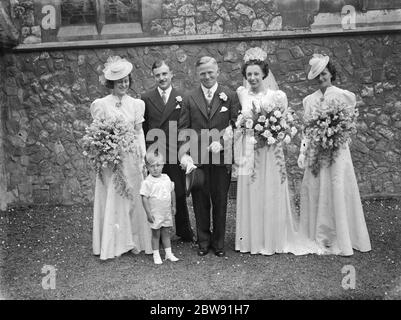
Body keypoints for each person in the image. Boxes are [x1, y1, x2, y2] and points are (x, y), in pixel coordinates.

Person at [235, 47, 321, 256]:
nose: (253, 78)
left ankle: (273, 238)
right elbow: (242, 122)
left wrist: (272, 132)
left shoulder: (277, 95)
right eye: (249, 74)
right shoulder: (241, 93)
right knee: (252, 190)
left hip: (270, 151)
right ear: (245, 76)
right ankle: (252, 239)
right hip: (250, 149)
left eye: (256, 73)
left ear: (264, 74)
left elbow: (284, 122)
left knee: (271, 190)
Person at [297, 54, 371, 256]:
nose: (322, 78)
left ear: (331, 74)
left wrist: (336, 133)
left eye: (325, 73)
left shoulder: (343, 96)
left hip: (337, 152)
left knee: (337, 187)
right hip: (316, 151)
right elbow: (306, 129)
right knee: (317, 187)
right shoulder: (309, 100)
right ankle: (319, 235)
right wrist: (303, 150)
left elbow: (348, 125)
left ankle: (341, 236)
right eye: (318, 75)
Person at [91, 56, 152, 260]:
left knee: (134, 198)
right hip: (113, 160)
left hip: (132, 158)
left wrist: (143, 155)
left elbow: (139, 132)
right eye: (119, 82)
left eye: (126, 81)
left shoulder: (136, 104)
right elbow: (98, 133)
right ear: (112, 84)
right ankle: (114, 242)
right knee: (115, 197)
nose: (124, 85)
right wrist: (106, 151)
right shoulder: (101, 104)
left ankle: (134, 240)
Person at [178, 56, 240, 257]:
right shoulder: (189, 97)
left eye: (210, 72)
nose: (206, 76)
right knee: (200, 201)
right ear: (197, 75)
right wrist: (184, 155)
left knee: (220, 201)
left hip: (221, 159)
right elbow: (183, 128)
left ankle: (219, 243)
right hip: (198, 159)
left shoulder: (229, 95)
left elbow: (235, 126)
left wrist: (221, 143)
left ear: (217, 72)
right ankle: (203, 241)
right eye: (202, 73)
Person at [141, 60, 194, 242]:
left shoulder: (182, 97)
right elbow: (145, 127)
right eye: (158, 75)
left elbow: (185, 126)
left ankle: (184, 231)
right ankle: (156, 232)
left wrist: (184, 152)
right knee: (155, 192)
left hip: (174, 151)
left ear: (171, 74)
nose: (162, 78)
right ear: (153, 76)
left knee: (178, 191)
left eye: (164, 74)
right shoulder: (146, 98)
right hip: (155, 153)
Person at [140, 152, 179, 264]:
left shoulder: (166, 178)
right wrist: (148, 213)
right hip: (155, 213)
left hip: (166, 211)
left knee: (166, 232)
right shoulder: (147, 182)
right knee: (156, 234)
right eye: (152, 166)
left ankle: (168, 253)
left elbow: (172, 192)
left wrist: (174, 206)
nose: (155, 169)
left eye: (158, 165)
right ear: (147, 167)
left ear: (162, 165)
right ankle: (156, 254)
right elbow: (144, 198)